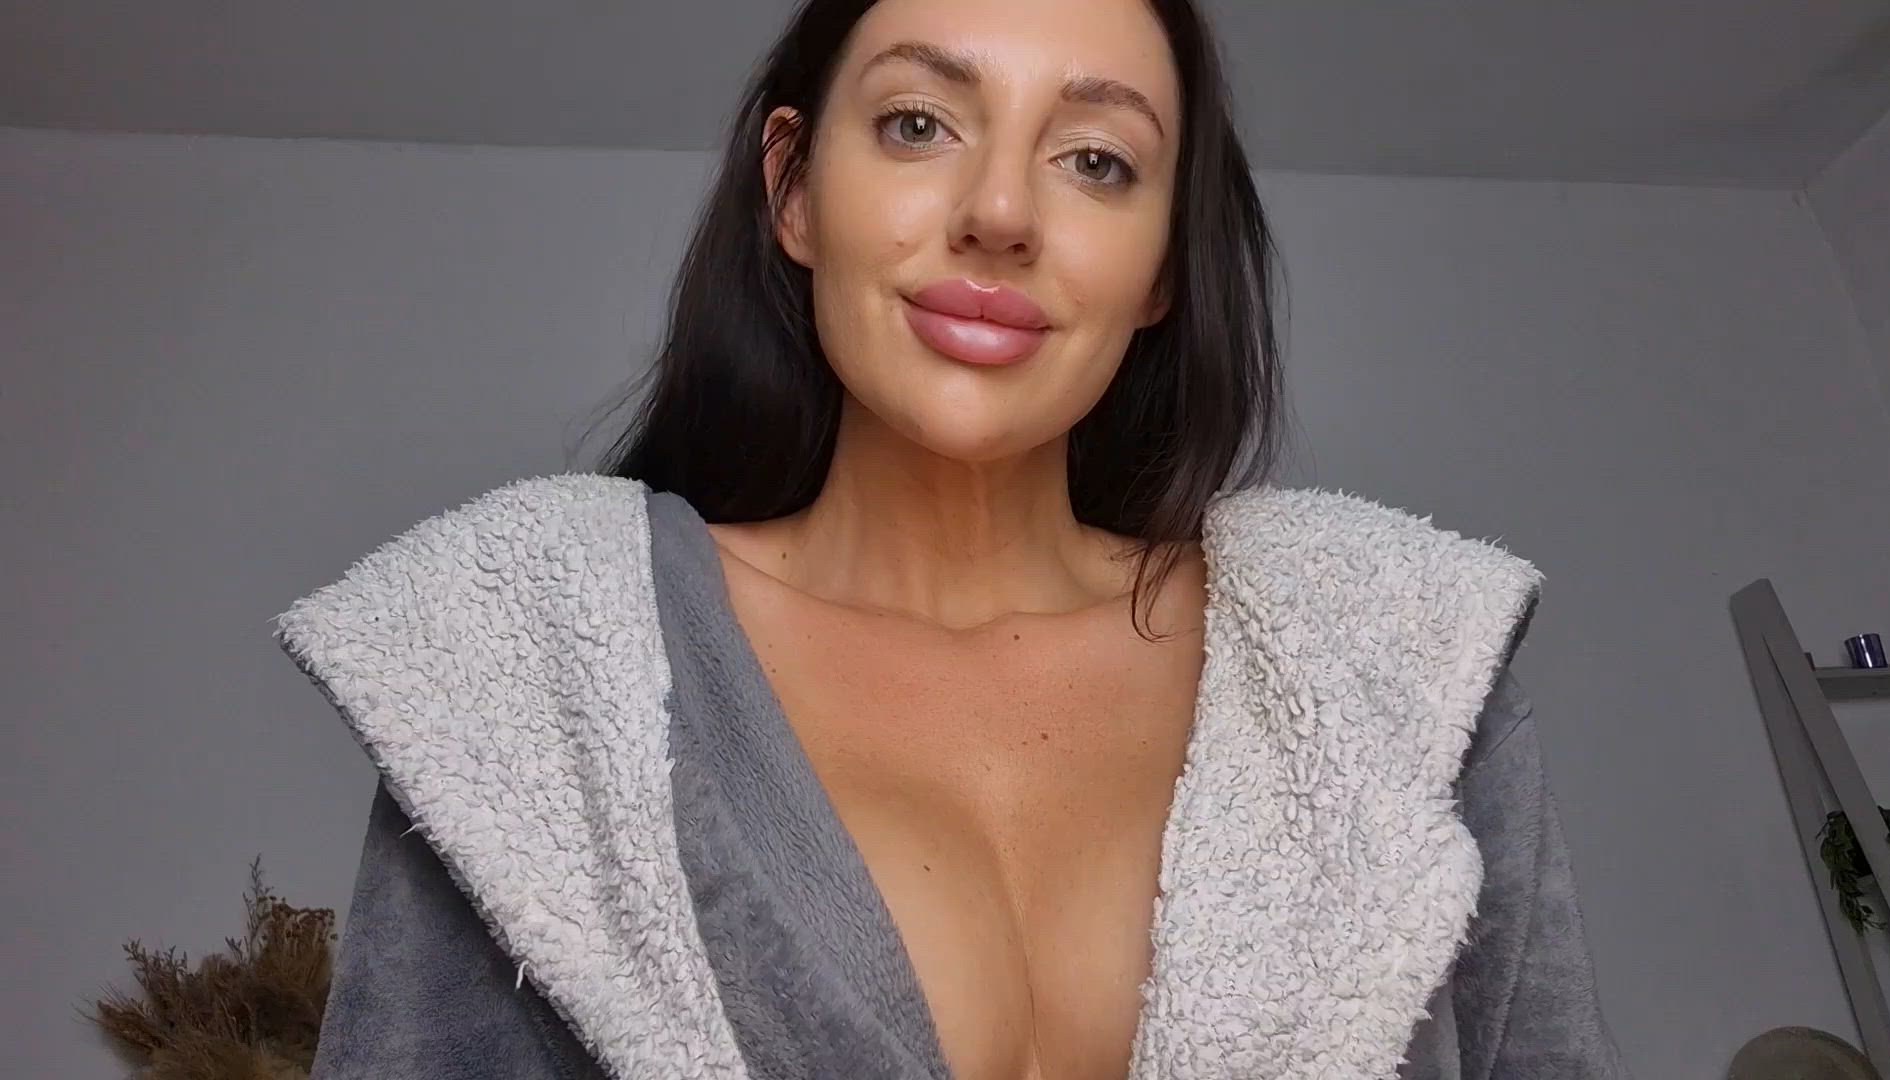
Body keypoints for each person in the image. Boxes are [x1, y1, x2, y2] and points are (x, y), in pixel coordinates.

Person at [273, 0, 1630, 1077]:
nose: (1001, 214)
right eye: (919, 124)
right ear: (795, 188)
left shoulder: (1394, 663)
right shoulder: (533, 673)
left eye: (1096, 161)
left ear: (1162, 264)